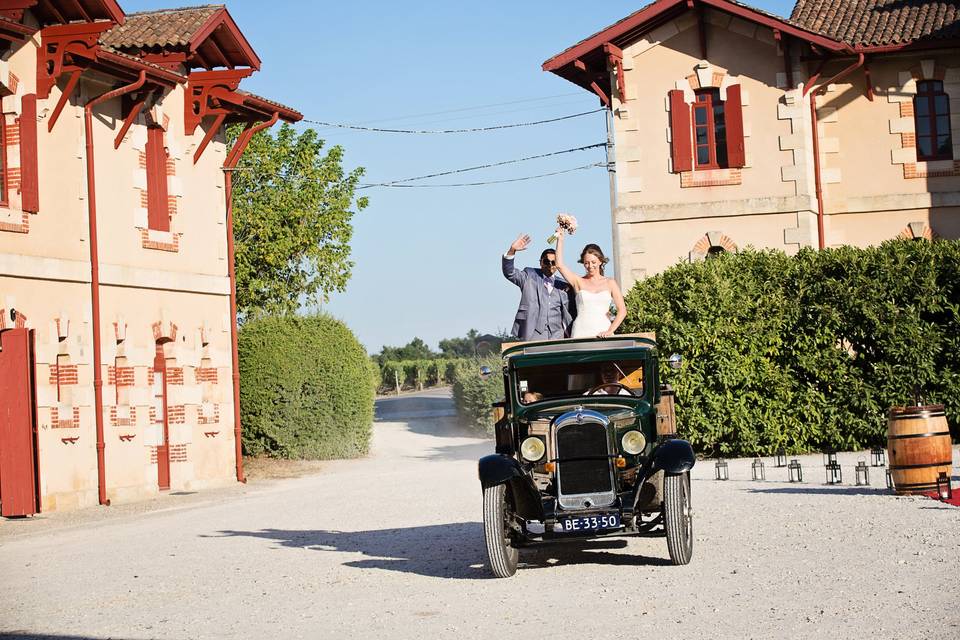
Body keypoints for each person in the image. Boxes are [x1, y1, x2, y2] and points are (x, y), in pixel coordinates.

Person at [554, 228, 626, 338]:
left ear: (600, 261)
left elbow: (622, 311)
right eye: (586, 263)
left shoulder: (610, 282)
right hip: (581, 331)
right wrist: (560, 240)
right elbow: (559, 265)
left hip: (604, 331)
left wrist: (610, 330)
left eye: (593, 262)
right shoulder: (578, 281)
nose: (590, 266)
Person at [502, 233, 576, 341]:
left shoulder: (564, 285)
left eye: (553, 262)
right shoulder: (529, 276)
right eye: (546, 261)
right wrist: (512, 250)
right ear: (540, 263)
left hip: (558, 334)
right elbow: (509, 273)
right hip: (533, 333)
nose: (550, 264)